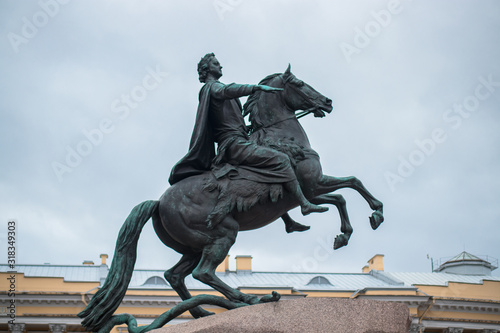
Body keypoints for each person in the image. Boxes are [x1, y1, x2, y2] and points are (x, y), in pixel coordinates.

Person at [169, 53, 327, 227]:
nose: (220, 66)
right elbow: (227, 91)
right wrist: (255, 88)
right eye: (216, 63)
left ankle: (287, 220)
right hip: (234, 145)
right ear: (207, 70)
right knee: (281, 160)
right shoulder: (211, 87)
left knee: (265, 169)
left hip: (239, 139)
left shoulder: (216, 89)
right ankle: (304, 204)